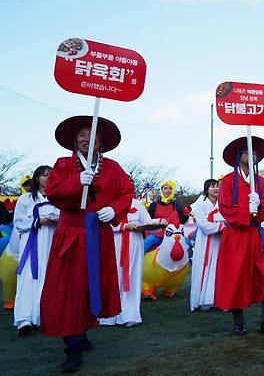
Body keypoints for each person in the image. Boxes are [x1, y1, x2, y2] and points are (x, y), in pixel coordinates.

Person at [40, 115, 134, 373]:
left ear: (100, 143)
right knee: (68, 289)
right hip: (70, 233)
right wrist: (75, 182)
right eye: (81, 135)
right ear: (74, 141)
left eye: (92, 136)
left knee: (92, 286)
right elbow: (54, 193)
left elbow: (127, 191)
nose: (86, 140)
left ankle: (81, 331)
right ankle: (72, 345)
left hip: (98, 233)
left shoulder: (113, 167)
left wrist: (113, 209)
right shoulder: (62, 164)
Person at [214, 136, 264, 335]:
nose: (254, 154)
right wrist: (247, 209)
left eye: (255, 152)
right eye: (248, 151)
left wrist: (260, 206)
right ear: (239, 156)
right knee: (236, 278)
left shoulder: (261, 182)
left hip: (255, 234)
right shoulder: (228, 181)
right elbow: (226, 208)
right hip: (236, 235)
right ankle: (239, 322)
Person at [13, 165, 58, 335]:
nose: (47, 178)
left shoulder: (58, 198)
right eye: (44, 175)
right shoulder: (25, 200)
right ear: (37, 178)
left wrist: (56, 220)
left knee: (49, 278)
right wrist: (38, 221)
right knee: (27, 278)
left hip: (51, 243)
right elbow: (18, 222)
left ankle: (44, 316)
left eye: (51, 175)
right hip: (31, 244)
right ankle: (24, 319)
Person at [99, 198, 152, 327]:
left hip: (134, 243)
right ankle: (109, 314)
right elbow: (101, 223)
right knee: (113, 277)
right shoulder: (107, 200)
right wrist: (123, 226)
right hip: (114, 243)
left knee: (133, 276)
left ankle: (130, 314)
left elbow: (147, 222)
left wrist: (159, 223)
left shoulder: (138, 204)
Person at [190, 179, 225, 311]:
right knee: (204, 267)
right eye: (212, 187)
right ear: (206, 189)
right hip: (205, 242)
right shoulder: (201, 205)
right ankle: (203, 299)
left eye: (217, 186)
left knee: (217, 267)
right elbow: (203, 224)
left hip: (219, 241)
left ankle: (217, 298)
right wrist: (221, 227)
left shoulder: (222, 205)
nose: (216, 189)